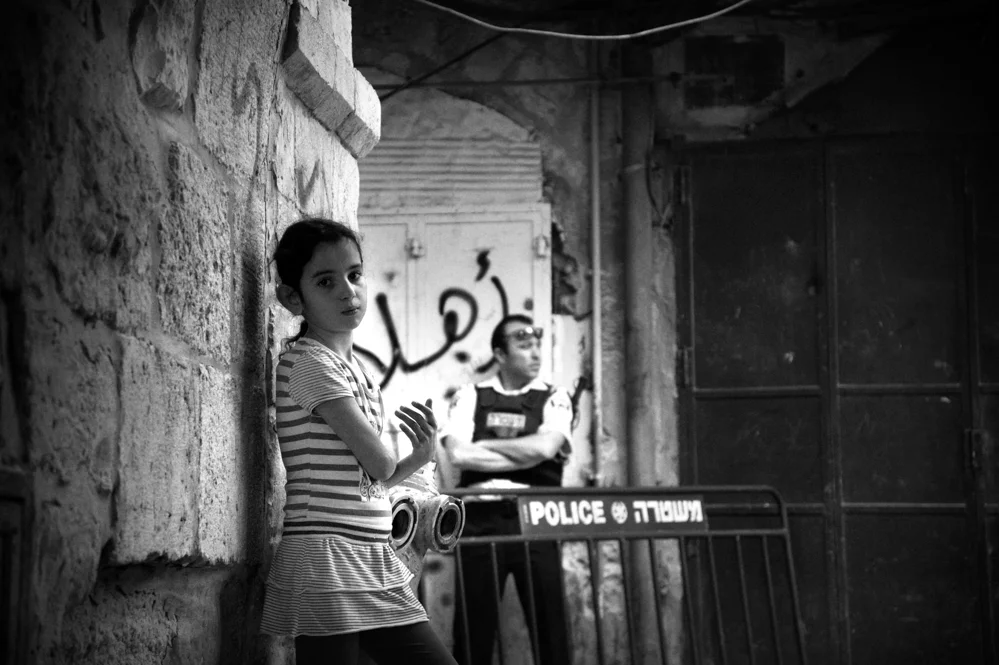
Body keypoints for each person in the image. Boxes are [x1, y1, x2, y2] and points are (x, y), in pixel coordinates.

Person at [260, 218, 458, 665]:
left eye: (354, 275)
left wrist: (417, 460)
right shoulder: (310, 363)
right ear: (293, 298)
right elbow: (380, 465)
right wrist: (419, 455)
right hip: (327, 559)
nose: (347, 291)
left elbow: (370, 482)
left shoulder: (359, 371)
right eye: (325, 281)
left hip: (369, 557)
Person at [442, 314, 573, 665]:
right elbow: (458, 454)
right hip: (480, 519)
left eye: (537, 345)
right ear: (500, 354)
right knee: (473, 631)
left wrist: (485, 447)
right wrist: (525, 456)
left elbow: (546, 448)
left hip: (537, 518)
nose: (535, 354)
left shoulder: (555, 396)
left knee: (550, 629)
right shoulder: (470, 395)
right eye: (524, 346)